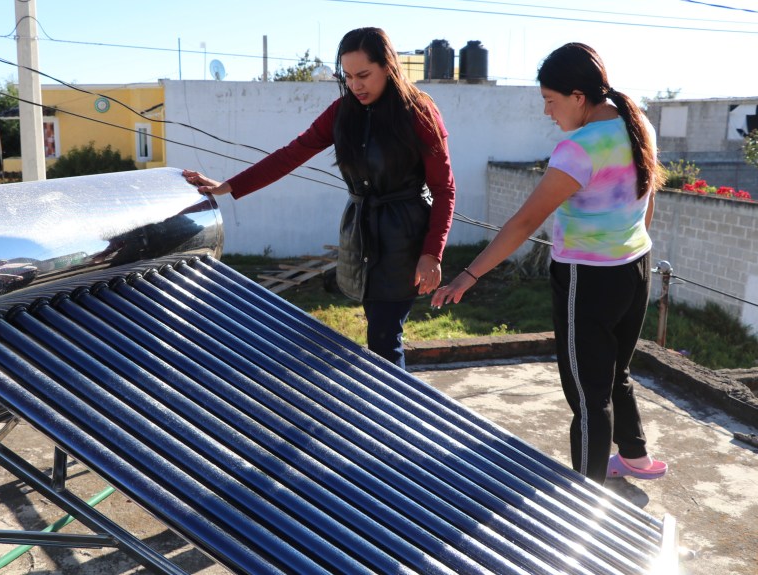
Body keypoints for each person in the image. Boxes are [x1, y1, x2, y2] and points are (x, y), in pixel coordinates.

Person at [431, 42, 667, 485]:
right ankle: (635, 457)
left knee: (587, 395)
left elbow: (524, 223)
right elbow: (646, 196)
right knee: (616, 370)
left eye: (550, 101)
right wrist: (628, 244)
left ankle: (586, 497)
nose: (547, 112)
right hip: (636, 267)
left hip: (586, 280)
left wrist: (468, 274)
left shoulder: (578, 148)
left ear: (578, 96)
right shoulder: (638, 123)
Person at [184, 27, 456, 370]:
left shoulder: (419, 113)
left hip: (405, 238)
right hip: (360, 234)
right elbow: (291, 154)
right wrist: (229, 186)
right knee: (379, 332)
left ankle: (399, 404)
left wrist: (432, 253)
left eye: (363, 75)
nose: (355, 85)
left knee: (385, 337)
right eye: (348, 77)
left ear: (388, 67)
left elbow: (445, 188)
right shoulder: (342, 112)